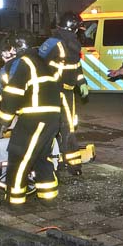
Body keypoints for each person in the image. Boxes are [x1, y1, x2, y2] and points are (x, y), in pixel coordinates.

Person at [0, 35, 61, 208]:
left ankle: (14, 200)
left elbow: (12, 93)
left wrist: (4, 121)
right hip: (52, 117)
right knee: (41, 156)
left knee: (19, 157)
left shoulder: (24, 63)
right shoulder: (41, 62)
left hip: (35, 117)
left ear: (17, 48)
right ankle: (48, 197)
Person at [39, 12, 89, 175]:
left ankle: (68, 162)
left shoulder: (72, 45)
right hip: (52, 92)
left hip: (67, 93)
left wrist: (81, 82)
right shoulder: (52, 43)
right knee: (52, 128)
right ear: (72, 28)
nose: (79, 32)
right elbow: (37, 63)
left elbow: (75, 66)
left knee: (68, 127)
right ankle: (54, 162)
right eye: (77, 29)